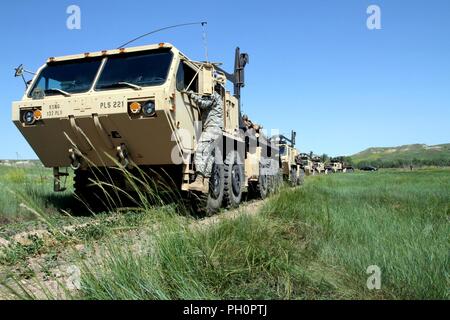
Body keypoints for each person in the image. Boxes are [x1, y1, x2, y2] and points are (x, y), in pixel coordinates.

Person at [187, 78, 224, 192]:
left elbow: (203, 104)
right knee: (209, 157)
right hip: (217, 131)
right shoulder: (219, 98)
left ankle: (199, 181)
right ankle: (206, 183)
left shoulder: (213, 95)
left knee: (200, 152)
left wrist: (191, 94)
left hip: (211, 129)